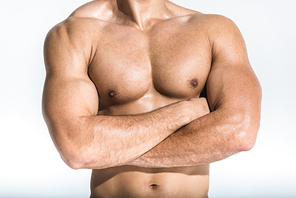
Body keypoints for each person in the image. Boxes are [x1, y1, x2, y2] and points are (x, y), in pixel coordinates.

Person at [42, 0, 262, 197]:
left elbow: (240, 132)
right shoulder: (73, 34)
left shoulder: (214, 30)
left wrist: (107, 150)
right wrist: (182, 113)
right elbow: (76, 147)